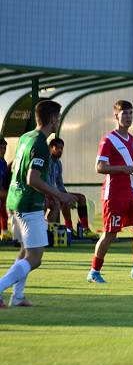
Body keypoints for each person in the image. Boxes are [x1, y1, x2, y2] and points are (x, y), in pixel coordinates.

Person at [0, 100, 77, 307]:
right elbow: (32, 179)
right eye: (58, 118)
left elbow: (17, 168)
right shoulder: (41, 145)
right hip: (29, 204)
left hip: (16, 200)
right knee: (35, 258)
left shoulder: (26, 137)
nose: (59, 121)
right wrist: (60, 195)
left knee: (26, 251)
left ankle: (17, 297)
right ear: (52, 119)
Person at [87, 100, 133, 284]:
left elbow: (130, 161)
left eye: (131, 113)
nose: (128, 117)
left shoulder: (131, 139)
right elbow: (100, 167)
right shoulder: (108, 139)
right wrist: (123, 169)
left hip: (131, 193)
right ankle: (94, 272)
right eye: (125, 113)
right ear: (116, 116)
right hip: (114, 194)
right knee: (110, 234)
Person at [45, 138, 98, 239]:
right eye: (57, 148)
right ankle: (69, 228)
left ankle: (85, 229)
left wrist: (66, 195)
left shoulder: (58, 163)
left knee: (81, 198)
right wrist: (63, 196)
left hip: (56, 192)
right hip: (48, 193)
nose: (60, 150)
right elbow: (47, 184)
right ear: (51, 148)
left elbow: (60, 183)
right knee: (63, 200)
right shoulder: (47, 162)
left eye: (61, 148)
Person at [0, 137, 10, 241]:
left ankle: (5, 230)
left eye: (4, 148)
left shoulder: (3, 162)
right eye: (1, 148)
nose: (3, 150)